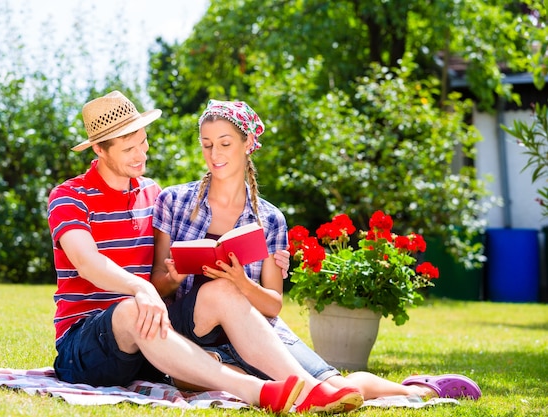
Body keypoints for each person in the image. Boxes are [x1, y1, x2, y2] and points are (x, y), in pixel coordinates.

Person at [47, 90, 366, 414]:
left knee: (222, 290)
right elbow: (87, 263)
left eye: (143, 142)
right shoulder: (69, 197)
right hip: (86, 345)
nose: (141, 154)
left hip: (153, 336)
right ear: (100, 149)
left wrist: (265, 259)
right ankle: (261, 392)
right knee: (131, 309)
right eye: (129, 148)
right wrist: (141, 288)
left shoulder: (151, 192)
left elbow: (171, 263)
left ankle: (309, 391)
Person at [151, 99, 483, 402]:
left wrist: (241, 282)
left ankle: (422, 389)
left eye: (225, 144)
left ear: (248, 144)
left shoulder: (268, 219)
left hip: (257, 332)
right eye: (207, 145)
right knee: (228, 354)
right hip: (195, 329)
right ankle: (306, 393)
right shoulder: (175, 202)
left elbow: (273, 304)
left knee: (340, 388)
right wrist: (175, 279)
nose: (215, 154)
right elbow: (157, 286)